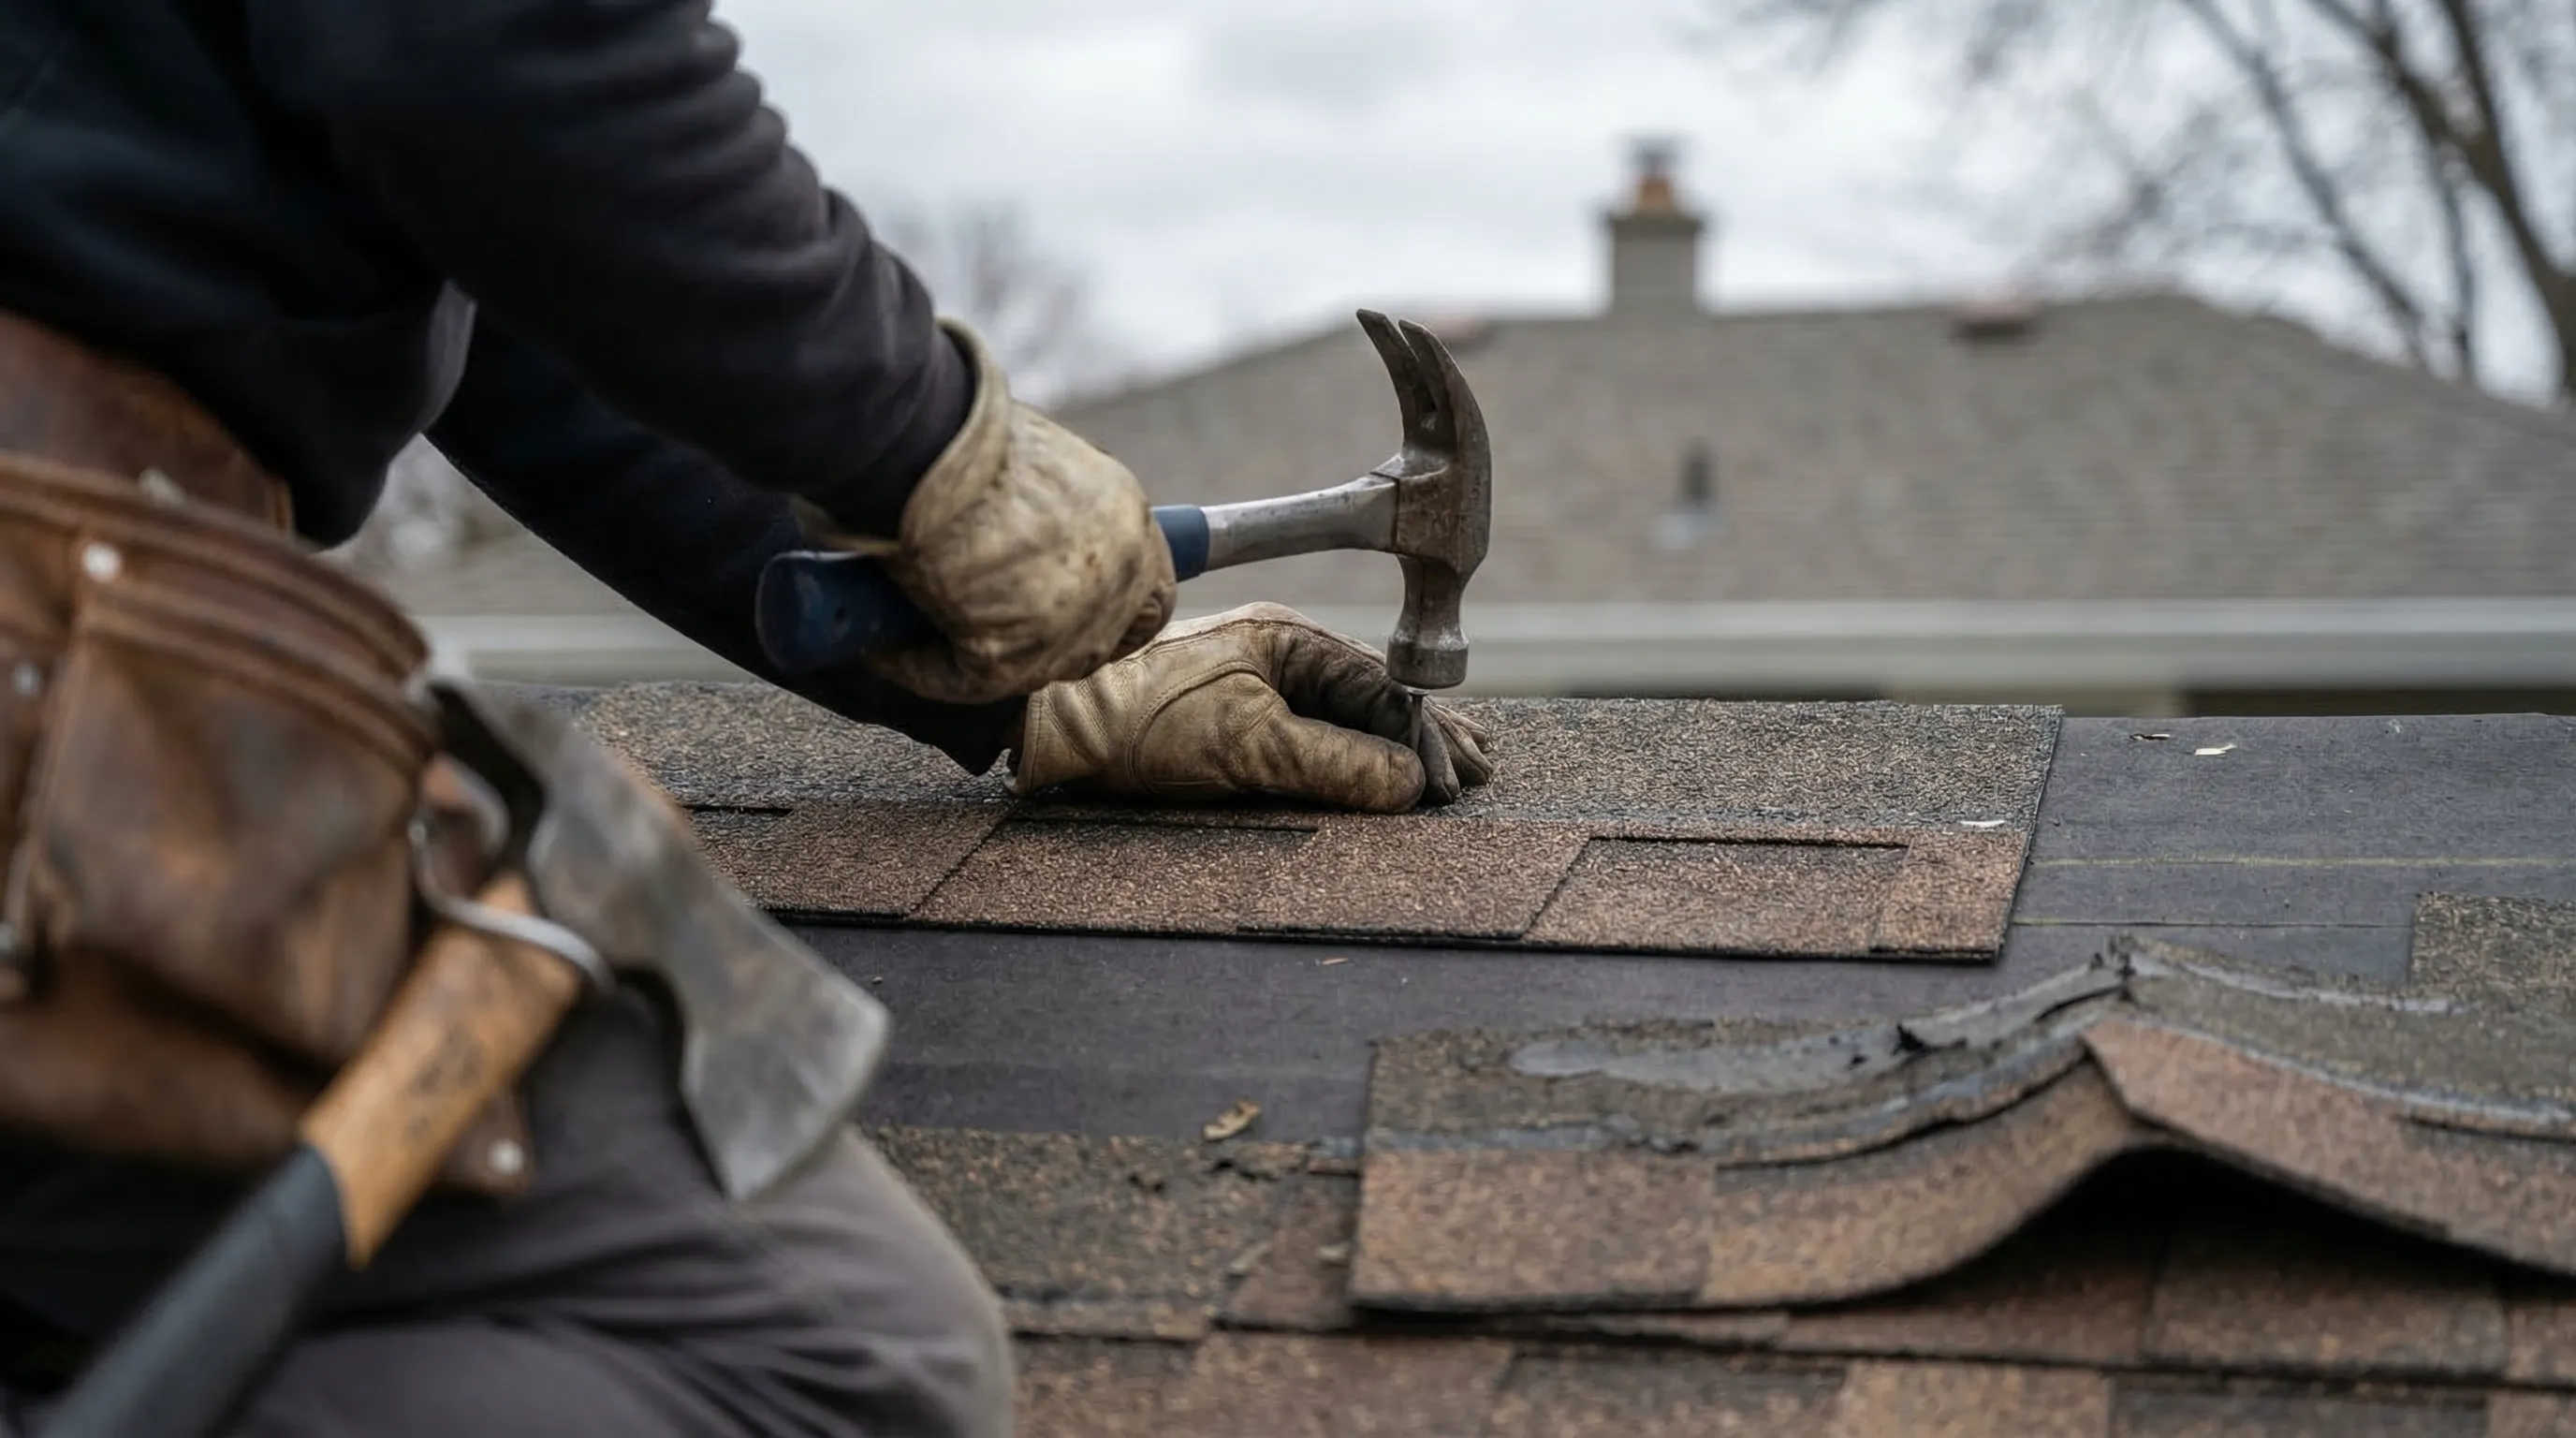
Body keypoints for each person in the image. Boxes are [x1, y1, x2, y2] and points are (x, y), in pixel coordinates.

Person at [0, 3, 1493, 1434]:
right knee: (832, 1361)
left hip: (82, 622)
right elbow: (491, 49)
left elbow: (523, 337)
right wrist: (925, 443)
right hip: (49, 636)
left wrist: (1028, 666)